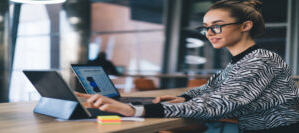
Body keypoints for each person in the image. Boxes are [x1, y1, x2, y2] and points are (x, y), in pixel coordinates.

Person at [76, 0, 299, 132]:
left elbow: (219, 104)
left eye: (217, 26)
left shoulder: (260, 60)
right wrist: (184, 97)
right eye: (206, 28)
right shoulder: (242, 60)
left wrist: (135, 110)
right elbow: (211, 88)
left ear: (245, 26)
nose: (209, 33)